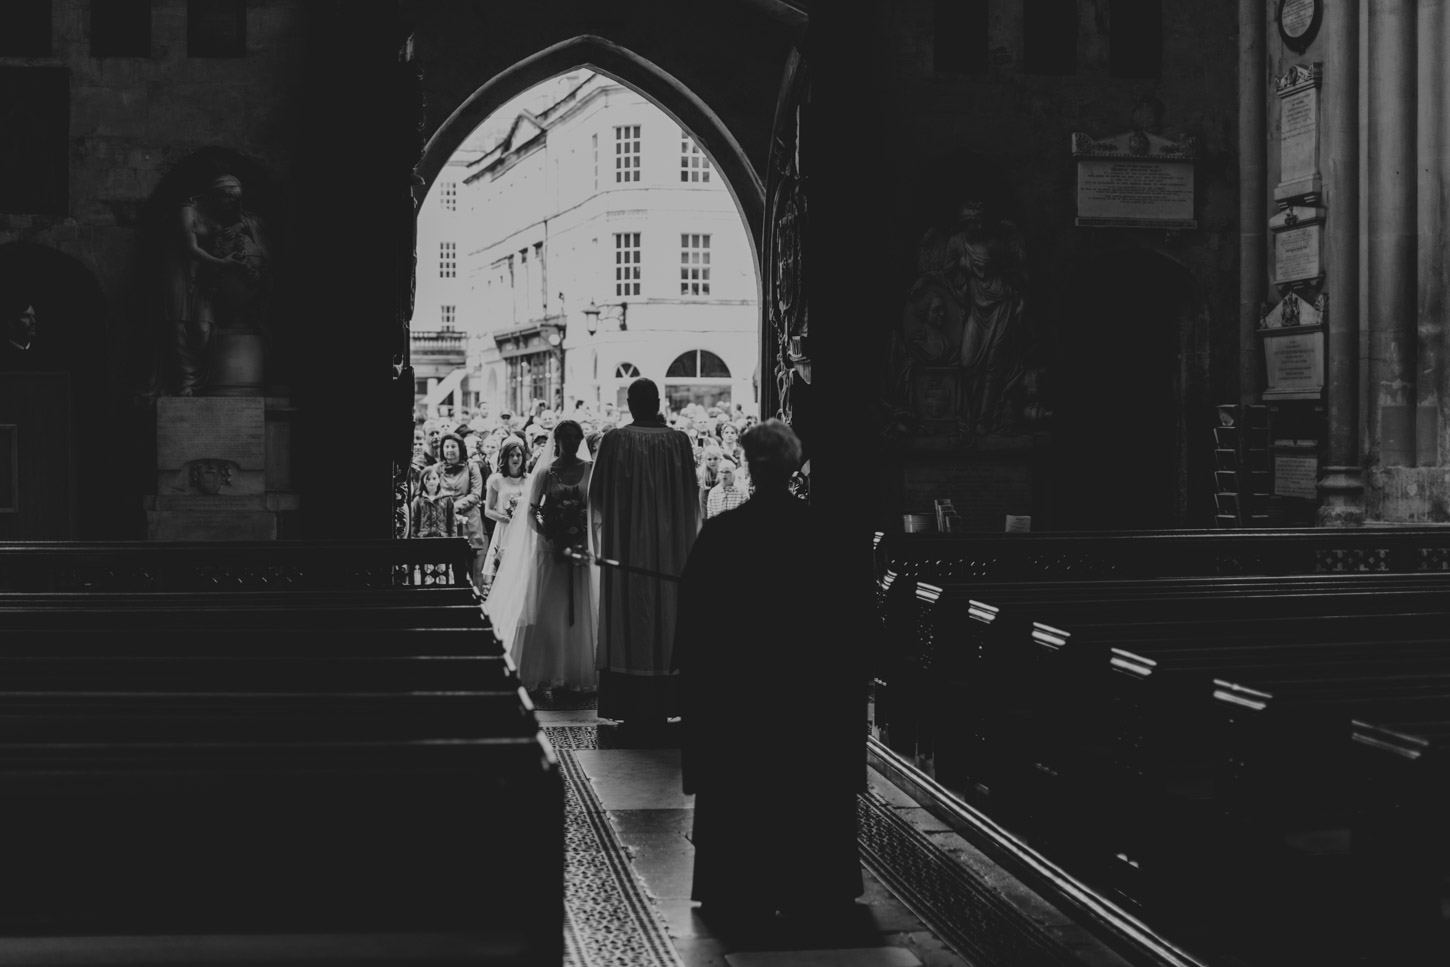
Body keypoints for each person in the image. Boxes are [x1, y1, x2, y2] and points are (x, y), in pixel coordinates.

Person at [677, 419, 866, 919]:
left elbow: (695, 623)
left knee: (745, 792)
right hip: (808, 696)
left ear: (751, 467)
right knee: (808, 791)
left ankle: (740, 882)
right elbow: (849, 619)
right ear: (791, 467)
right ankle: (814, 881)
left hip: (741, 698)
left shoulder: (723, 534)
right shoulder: (824, 532)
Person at [589, 377, 700, 732]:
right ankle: (670, 698)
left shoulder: (615, 441)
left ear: (631, 404)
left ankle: (630, 702)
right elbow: (690, 499)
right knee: (668, 613)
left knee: (630, 614)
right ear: (657, 402)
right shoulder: (679, 442)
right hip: (672, 550)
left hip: (626, 548)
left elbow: (597, 499)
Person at [495, 420, 599, 694]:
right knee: (547, 609)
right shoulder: (544, 473)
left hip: (578, 550)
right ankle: (545, 672)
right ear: (558, 440)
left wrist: (580, 533)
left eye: (576, 437)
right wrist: (550, 534)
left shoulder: (590, 470)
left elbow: (594, 511)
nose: (572, 442)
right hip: (549, 549)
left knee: (576, 611)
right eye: (566, 437)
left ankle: (573, 672)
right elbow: (532, 511)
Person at [161, 169, 272, 396]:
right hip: (179, 273)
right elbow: (190, 249)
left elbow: (250, 223)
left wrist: (240, 228)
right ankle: (185, 384)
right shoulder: (188, 210)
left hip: (203, 276)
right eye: (227, 199)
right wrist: (223, 263)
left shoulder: (215, 218)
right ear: (214, 194)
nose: (229, 205)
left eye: (234, 201)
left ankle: (197, 381)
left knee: (204, 329)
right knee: (179, 325)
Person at [434, 432, 485, 583]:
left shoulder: (471, 466)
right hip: (444, 520)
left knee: (469, 565)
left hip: (469, 520)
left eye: (453, 446)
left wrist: (454, 506)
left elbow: (476, 494)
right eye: (446, 446)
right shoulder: (437, 469)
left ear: (460, 448)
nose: (449, 450)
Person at [481, 437, 530, 587]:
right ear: (505, 457)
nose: (515, 458)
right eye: (511, 455)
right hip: (504, 529)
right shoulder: (496, 480)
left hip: (524, 530)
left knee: (522, 573)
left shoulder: (530, 479)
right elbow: (488, 511)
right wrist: (508, 519)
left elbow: (536, 507)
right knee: (502, 573)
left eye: (518, 455)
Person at [410, 465, 455, 538]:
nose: (431, 482)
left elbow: (452, 523)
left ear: (439, 479)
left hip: (443, 539)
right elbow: (414, 524)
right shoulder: (418, 500)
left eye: (434, 478)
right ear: (423, 481)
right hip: (423, 539)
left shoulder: (447, 499)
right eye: (428, 479)